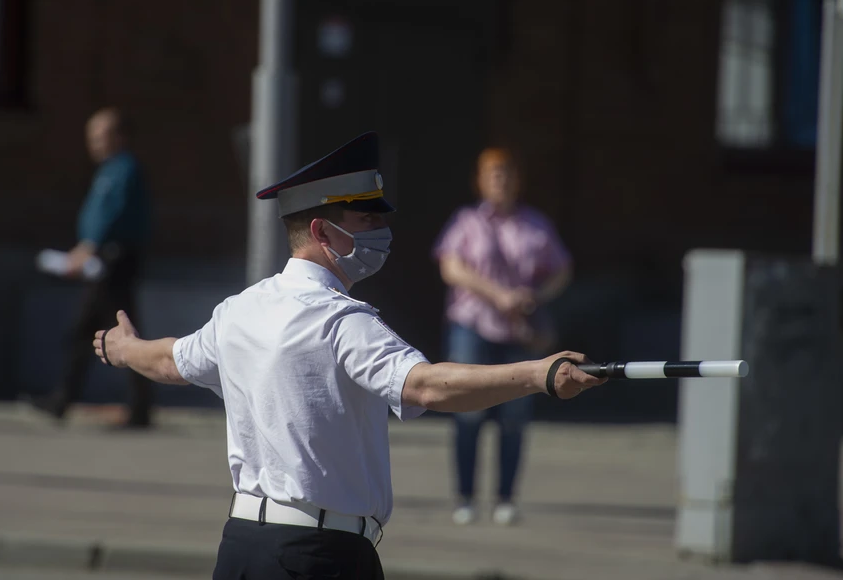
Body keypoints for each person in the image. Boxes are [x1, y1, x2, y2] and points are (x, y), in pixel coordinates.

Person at [93, 133, 602, 579]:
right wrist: (539, 373)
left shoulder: (239, 310)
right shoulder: (342, 320)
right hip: (320, 556)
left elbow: (168, 361)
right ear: (321, 231)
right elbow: (426, 385)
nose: (379, 231)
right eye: (365, 219)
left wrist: (123, 349)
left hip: (242, 548)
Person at [433, 147, 573, 527]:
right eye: (493, 173)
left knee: (515, 415)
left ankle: (506, 499)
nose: (501, 180)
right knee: (467, 412)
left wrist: (536, 296)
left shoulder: (535, 224)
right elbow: (451, 268)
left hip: (517, 330)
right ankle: (464, 497)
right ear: (479, 180)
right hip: (472, 325)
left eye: (507, 173)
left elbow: (561, 270)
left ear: (518, 179)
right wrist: (497, 295)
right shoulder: (465, 222)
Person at [32, 108, 154, 428]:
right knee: (96, 330)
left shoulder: (123, 170)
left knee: (101, 331)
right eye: (92, 137)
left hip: (113, 261)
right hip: (105, 260)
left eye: (101, 136)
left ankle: (70, 400)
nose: (94, 143)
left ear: (119, 136)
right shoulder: (110, 170)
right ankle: (133, 406)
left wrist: (87, 249)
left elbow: (111, 214)